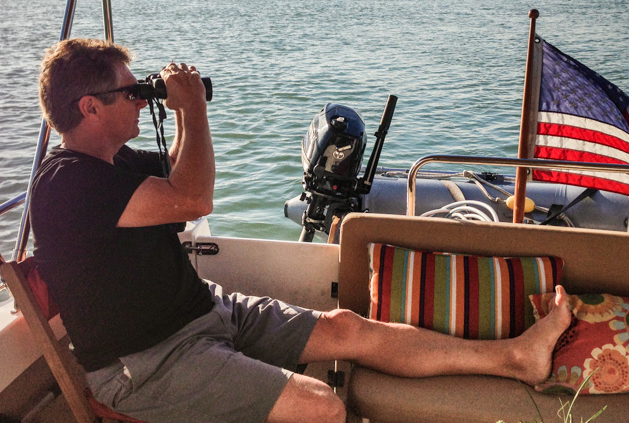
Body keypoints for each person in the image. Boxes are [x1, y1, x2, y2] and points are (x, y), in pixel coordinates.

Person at [31, 38, 572, 423]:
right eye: (132, 93)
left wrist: (179, 116)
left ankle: (515, 359)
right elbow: (192, 199)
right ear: (89, 107)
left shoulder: (115, 163)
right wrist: (193, 111)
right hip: (147, 363)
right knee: (322, 408)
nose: (140, 100)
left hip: (202, 314)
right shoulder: (68, 183)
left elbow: (177, 180)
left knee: (347, 328)